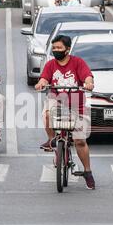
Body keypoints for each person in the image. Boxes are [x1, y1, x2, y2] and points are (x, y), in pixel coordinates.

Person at [35, 35, 95, 190]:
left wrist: (88, 83)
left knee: (80, 140)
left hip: (77, 104)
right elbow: (44, 79)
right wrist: (41, 84)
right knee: (48, 113)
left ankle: (88, 172)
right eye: (54, 48)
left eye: (59, 48)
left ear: (68, 49)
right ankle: (52, 139)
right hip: (57, 101)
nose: (56, 51)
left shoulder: (78, 62)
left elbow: (87, 76)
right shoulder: (50, 65)